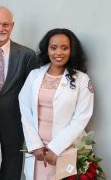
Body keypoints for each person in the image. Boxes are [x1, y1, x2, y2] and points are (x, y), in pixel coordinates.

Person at [19, 28, 94, 179]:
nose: (58, 53)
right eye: (53, 47)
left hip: (65, 148)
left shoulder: (82, 79)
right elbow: (25, 111)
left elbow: (81, 118)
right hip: (37, 150)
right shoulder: (34, 76)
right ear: (47, 50)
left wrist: (56, 147)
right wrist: (34, 145)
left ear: (71, 51)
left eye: (64, 48)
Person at [0, 6, 38, 180]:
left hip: (15, 122)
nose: (0, 29)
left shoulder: (28, 56)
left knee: (13, 166)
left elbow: (33, 94)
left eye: (5, 24)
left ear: (12, 25)